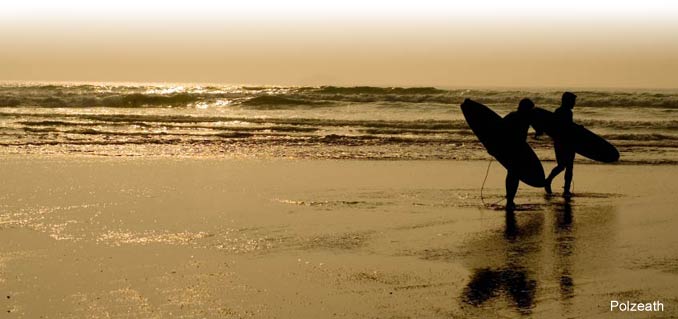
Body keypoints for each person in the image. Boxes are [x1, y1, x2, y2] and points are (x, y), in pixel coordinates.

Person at [503, 98, 536, 210]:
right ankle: (510, 199)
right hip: (516, 148)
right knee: (514, 174)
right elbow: (500, 128)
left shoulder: (515, 116)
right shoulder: (523, 118)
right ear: (525, 108)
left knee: (512, 173)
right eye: (530, 108)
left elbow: (499, 127)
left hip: (512, 148)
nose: (531, 111)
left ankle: (510, 199)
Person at [544, 92, 577, 197]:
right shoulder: (566, 112)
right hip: (565, 143)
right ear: (567, 101)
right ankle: (564, 189)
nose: (574, 103)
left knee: (563, 166)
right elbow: (566, 127)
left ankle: (553, 183)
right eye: (573, 101)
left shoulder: (560, 111)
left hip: (561, 142)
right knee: (566, 166)